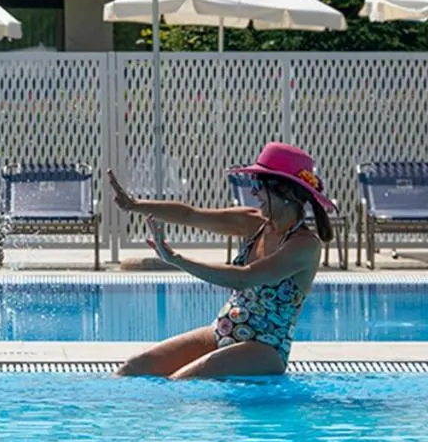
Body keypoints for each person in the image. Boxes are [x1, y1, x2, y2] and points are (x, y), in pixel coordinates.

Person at [108, 142, 334, 380]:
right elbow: (190, 215)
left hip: (262, 350)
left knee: (179, 383)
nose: (254, 193)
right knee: (132, 369)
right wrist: (134, 205)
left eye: (258, 185)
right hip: (221, 332)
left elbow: (243, 277)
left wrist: (175, 259)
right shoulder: (254, 223)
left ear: (285, 192)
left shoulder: (304, 246)